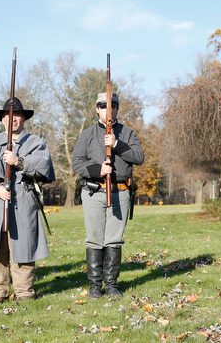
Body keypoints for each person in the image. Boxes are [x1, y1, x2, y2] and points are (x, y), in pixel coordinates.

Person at [0, 98, 55, 303]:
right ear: (2, 119)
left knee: (23, 246)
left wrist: (19, 162)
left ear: (23, 118)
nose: (12, 119)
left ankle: (24, 292)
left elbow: (44, 167)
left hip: (23, 201)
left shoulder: (36, 143)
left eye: (17, 115)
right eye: (8, 115)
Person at [72, 93, 144, 298]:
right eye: (103, 106)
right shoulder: (87, 134)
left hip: (120, 193)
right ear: (97, 109)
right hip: (94, 192)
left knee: (113, 240)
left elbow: (139, 157)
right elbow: (76, 162)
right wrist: (97, 170)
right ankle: (95, 286)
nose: (108, 110)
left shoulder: (128, 133)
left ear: (117, 109)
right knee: (94, 240)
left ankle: (111, 285)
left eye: (112, 106)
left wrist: (116, 144)